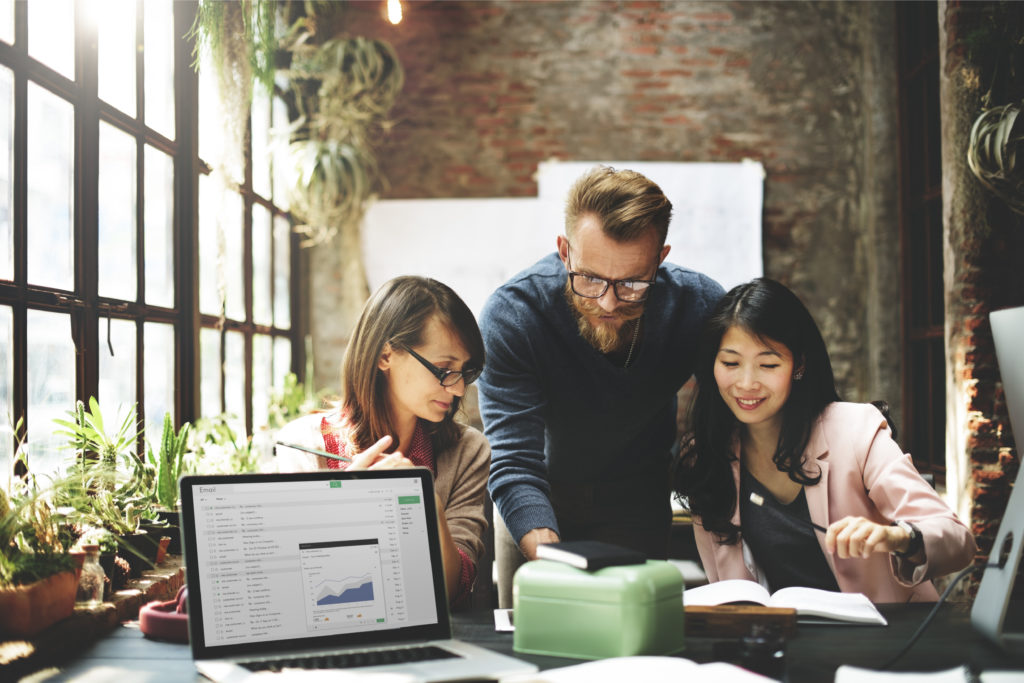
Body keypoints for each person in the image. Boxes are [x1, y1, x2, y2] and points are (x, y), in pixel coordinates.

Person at [478, 165, 725, 606]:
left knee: (629, 643)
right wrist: (550, 554)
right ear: (564, 251)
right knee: (535, 644)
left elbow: (738, 413)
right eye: (589, 279)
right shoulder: (514, 317)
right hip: (536, 498)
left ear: (660, 259)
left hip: (639, 499)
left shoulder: (698, 306)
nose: (608, 303)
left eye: (632, 283)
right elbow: (513, 462)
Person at [671, 277, 976, 602]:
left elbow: (958, 541)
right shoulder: (705, 456)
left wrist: (899, 537)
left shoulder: (855, 431)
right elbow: (726, 590)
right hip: (778, 644)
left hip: (887, 640)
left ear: (799, 365)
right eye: (730, 363)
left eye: (768, 364)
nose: (746, 383)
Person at [275, 276, 489, 608]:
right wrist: (343, 504)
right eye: (445, 368)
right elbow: (297, 589)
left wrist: (426, 503)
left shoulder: (467, 452)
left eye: (465, 372)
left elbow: (451, 593)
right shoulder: (302, 446)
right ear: (385, 355)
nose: (459, 389)